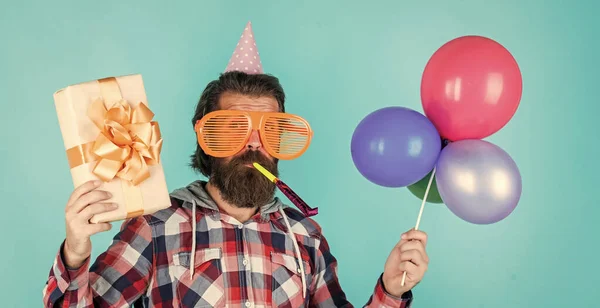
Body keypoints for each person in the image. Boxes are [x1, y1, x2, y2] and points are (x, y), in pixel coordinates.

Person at [43, 22, 429, 308]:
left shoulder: (306, 237)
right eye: (232, 130)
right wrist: (75, 253)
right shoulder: (155, 226)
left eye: (270, 130)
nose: (254, 144)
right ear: (206, 141)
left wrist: (391, 292)